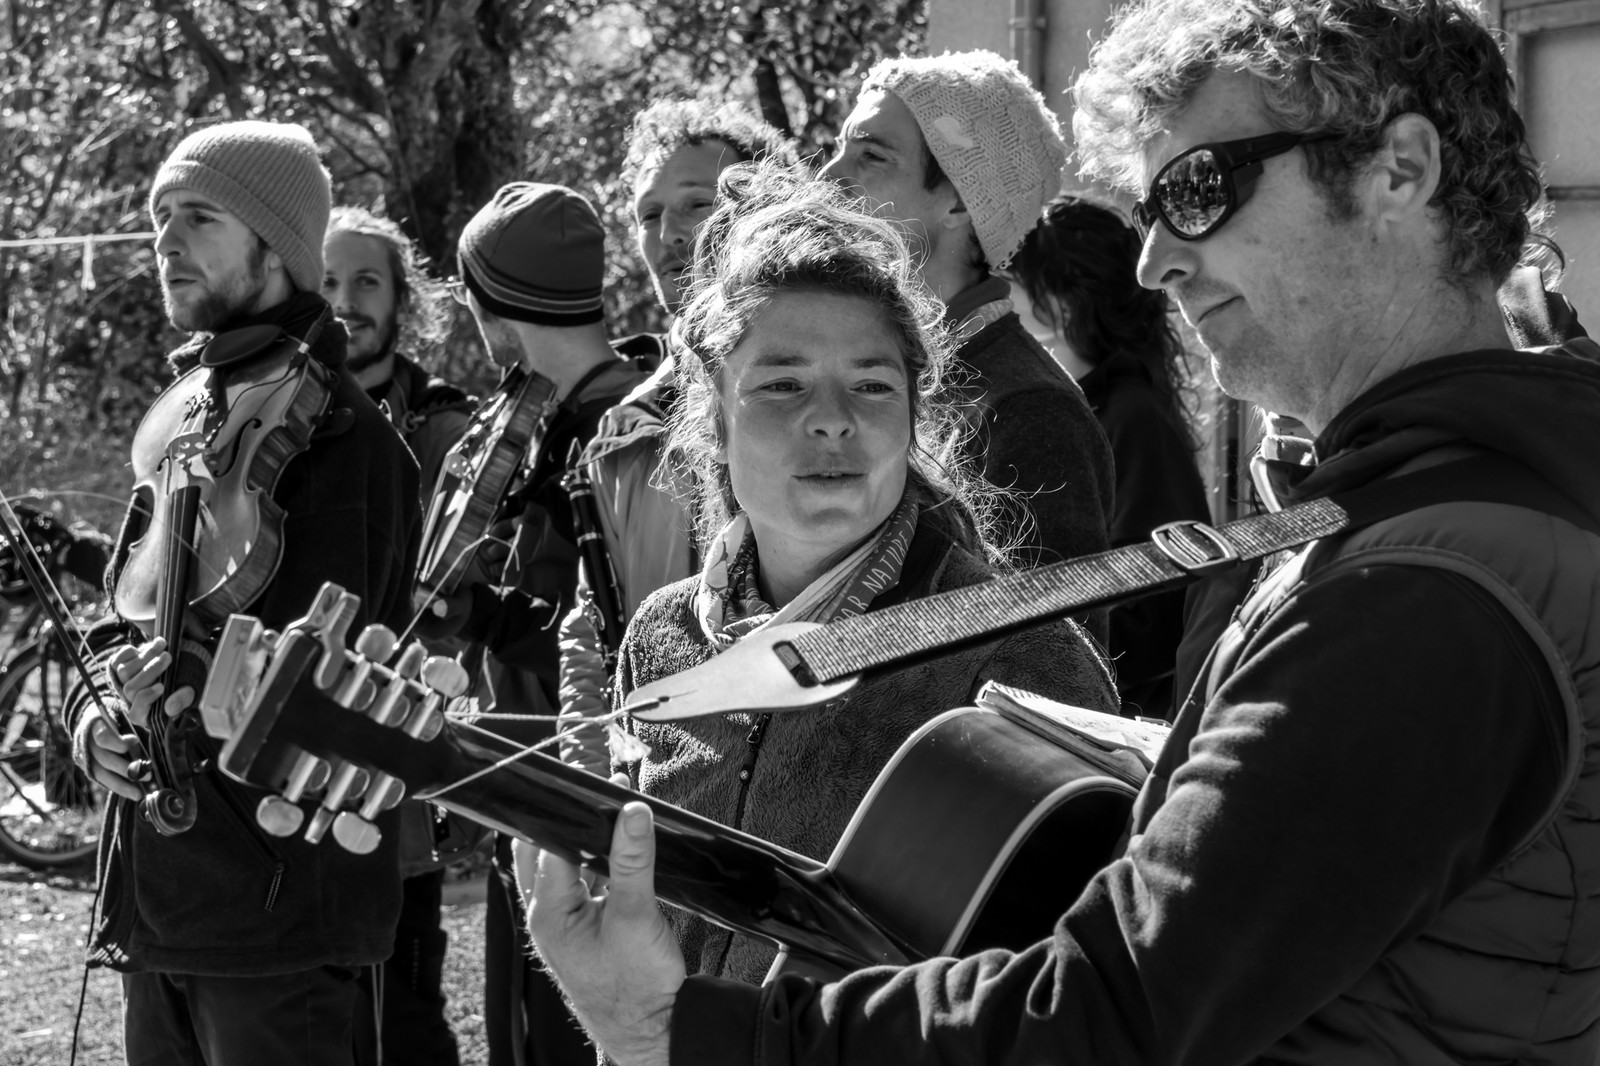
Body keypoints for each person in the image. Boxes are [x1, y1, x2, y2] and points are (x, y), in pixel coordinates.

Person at [520, 0, 1600, 1061]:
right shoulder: (1399, 525)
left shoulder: (1426, 585)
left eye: (1197, 189)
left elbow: (1111, 1007)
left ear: (1398, 171)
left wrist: (695, 1031)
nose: (1152, 262)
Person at [535, 164, 1117, 987]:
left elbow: (1078, 994)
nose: (834, 419)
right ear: (715, 413)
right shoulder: (661, 639)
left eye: (873, 385)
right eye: (782, 383)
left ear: (913, 413)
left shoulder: (1018, 657)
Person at [67, 120, 420, 1066]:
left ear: (278, 245)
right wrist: (98, 719)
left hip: (280, 912)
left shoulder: (346, 444)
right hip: (161, 899)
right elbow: (120, 621)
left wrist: (176, 694)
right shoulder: (186, 414)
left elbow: (325, 688)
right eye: (159, 219)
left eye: (200, 217)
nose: (167, 242)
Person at [420, 181, 652, 1066]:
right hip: (536, 795)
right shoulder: (552, 425)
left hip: (585, 810)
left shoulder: (615, 432)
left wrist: (482, 613)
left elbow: (616, 636)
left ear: (497, 313)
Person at [556, 98, 797, 775]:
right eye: (648, 215)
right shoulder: (622, 433)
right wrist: (584, 805)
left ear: (765, 203)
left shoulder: (815, 387)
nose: (668, 234)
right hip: (660, 791)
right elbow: (588, 639)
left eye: (695, 204)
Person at [819, 50, 1114, 577]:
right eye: (842, 148)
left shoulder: (1031, 411)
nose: (829, 174)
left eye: (872, 156)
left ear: (958, 202)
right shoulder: (891, 368)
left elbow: (1055, 654)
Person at [322, 204, 479, 1066]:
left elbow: (460, 608)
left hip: (399, 762)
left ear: (402, 300)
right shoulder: (285, 415)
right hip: (300, 753)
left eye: (367, 282)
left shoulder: (445, 428)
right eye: (329, 283)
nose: (346, 301)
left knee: (405, 1019)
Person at [1008, 194, 1211, 716]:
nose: (1002, 292)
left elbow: (1155, 602)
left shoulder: (1131, 415)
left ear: (1061, 304)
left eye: (1014, 276)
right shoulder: (1094, 403)